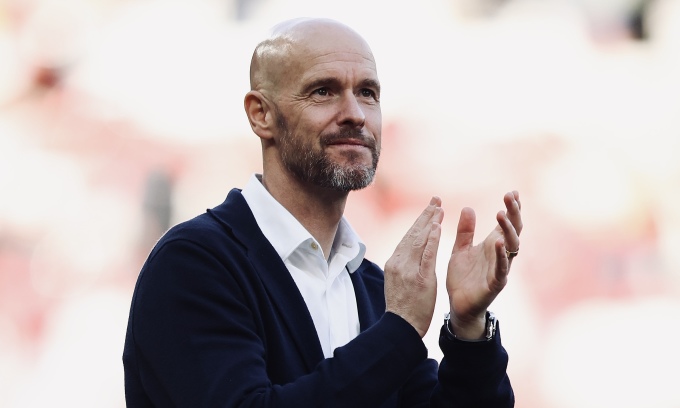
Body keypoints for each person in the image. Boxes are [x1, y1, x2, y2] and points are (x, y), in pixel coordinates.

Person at [123, 17, 522, 407]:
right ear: (261, 114)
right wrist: (398, 332)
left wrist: (469, 327)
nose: (355, 114)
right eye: (322, 91)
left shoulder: (372, 287)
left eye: (368, 93)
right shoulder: (194, 263)